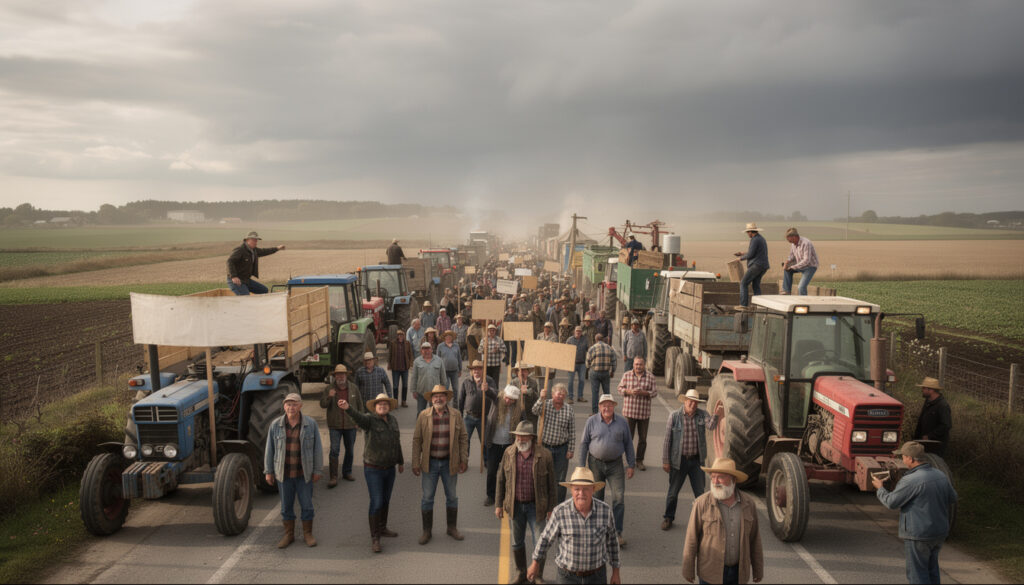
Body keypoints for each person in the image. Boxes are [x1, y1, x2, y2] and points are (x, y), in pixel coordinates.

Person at [873, 441, 957, 585]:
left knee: (917, 574)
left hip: (919, 534)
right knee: (932, 570)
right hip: (939, 533)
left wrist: (880, 488)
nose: (902, 459)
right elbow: (953, 497)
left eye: (903, 456)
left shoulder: (910, 480)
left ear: (910, 459)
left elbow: (891, 502)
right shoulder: (940, 475)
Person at [528, 467, 622, 585]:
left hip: (597, 576)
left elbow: (613, 543)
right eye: (577, 489)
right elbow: (545, 539)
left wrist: (616, 573)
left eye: (585, 489)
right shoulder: (560, 512)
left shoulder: (605, 511)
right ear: (571, 490)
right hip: (567, 577)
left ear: (593, 490)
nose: (581, 494)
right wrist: (535, 563)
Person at [337, 393, 404, 553]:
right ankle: (375, 538)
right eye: (379, 404)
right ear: (375, 407)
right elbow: (358, 418)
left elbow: (397, 442)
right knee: (377, 501)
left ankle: (382, 528)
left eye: (385, 404)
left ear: (389, 407)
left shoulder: (393, 420)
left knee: (386, 500)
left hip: (390, 468)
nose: (382, 406)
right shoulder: (369, 420)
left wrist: (400, 461)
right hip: (373, 469)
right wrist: (348, 408)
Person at [682, 458, 764, 585]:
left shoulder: (748, 504)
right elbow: (691, 538)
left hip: (738, 574)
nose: (715, 481)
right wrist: (688, 569)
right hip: (709, 573)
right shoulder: (701, 503)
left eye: (721, 477)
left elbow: (754, 539)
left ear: (733, 480)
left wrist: (758, 570)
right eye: (713, 477)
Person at [496, 421, 557, 584]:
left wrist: (551, 508)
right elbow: (501, 479)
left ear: (531, 437)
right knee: (517, 542)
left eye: (523, 436)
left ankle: (537, 575)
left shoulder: (545, 455)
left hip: (536, 507)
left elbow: (552, 484)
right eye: (518, 435)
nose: (520, 439)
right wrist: (498, 504)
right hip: (515, 506)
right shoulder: (508, 453)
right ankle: (521, 573)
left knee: (540, 542)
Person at [264, 392, 323, 548]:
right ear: (284, 406)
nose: (291, 407)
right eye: (288, 404)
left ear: (300, 406)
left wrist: (317, 470)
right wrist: (268, 471)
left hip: (304, 474)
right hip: (284, 475)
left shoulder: (310, 424)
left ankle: (308, 534)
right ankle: (289, 535)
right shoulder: (275, 425)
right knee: (286, 506)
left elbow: (318, 449)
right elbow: (269, 450)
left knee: (307, 505)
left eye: (294, 404)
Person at [412, 384, 469, 545]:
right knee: (427, 498)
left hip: (449, 463)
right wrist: (416, 462)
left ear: (447, 398)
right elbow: (417, 440)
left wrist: (464, 459)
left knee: (452, 497)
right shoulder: (423, 415)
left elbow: (463, 438)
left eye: (442, 396)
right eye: (435, 396)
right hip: (429, 464)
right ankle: (426, 531)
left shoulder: (456, 415)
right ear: (431, 399)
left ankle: (452, 528)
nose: (438, 398)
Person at [579, 394, 635, 546]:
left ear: (614, 406)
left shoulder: (622, 422)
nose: (607, 408)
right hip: (595, 463)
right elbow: (584, 443)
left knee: (619, 497)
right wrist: (580, 466)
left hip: (615, 465)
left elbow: (629, 444)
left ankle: (617, 533)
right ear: (599, 407)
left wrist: (631, 465)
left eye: (609, 405)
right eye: (604, 405)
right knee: (596, 498)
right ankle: (596, 531)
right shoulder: (591, 421)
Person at [662, 390, 718, 530]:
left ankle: (703, 521)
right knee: (673, 493)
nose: (692, 404)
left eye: (695, 402)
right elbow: (667, 440)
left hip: (696, 461)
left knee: (700, 493)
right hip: (678, 461)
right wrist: (666, 460)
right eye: (690, 401)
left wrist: (717, 414)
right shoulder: (674, 416)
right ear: (684, 401)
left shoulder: (702, 415)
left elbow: (711, 426)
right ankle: (668, 517)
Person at [319, 364, 364, 486]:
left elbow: (360, 405)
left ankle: (347, 472)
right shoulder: (329, 389)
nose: (340, 377)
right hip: (335, 425)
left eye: (342, 374)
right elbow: (322, 404)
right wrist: (329, 396)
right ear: (334, 376)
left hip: (350, 425)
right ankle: (333, 476)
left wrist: (359, 421)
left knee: (349, 450)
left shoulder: (353, 388)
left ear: (346, 375)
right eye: (338, 374)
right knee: (334, 450)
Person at [533, 383, 576, 503]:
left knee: (560, 479)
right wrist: (541, 398)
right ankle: (543, 501)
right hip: (545, 447)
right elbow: (534, 410)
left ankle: (558, 504)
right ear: (552, 394)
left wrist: (571, 449)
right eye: (558, 393)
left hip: (562, 449)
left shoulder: (569, 410)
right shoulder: (545, 405)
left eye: (563, 394)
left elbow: (572, 431)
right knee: (543, 475)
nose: (560, 396)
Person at [484, 385, 526, 507]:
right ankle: (490, 495)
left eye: (511, 399)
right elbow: (489, 392)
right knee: (491, 471)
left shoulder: (519, 409)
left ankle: (507, 494)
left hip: (510, 445)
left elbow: (524, 423)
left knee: (509, 470)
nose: (508, 401)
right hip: (494, 444)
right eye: (507, 398)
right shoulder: (497, 400)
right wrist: (486, 388)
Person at [618, 357, 657, 472]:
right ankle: (627, 461)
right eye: (636, 364)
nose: (638, 366)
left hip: (644, 413)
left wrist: (643, 393)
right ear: (633, 365)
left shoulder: (650, 377)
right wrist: (629, 391)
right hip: (629, 412)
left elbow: (654, 392)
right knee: (627, 438)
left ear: (644, 365)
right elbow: (620, 388)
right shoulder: (627, 375)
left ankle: (639, 460)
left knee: (643, 439)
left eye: (640, 364)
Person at [457, 360, 496, 460]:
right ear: (471, 370)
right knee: (465, 440)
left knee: (485, 441)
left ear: (483, 370)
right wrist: (459, 415)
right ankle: (463, 460)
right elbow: (461, 399)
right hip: (469, 416)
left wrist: (488, 390)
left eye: (479, 369)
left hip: (484, 416)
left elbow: (496, 396)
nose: (476, 371)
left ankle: (486, 461)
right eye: (474, 369)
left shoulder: (489, 381)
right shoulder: (466, 381)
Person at [226, 231, 285, 295]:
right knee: (245, 297)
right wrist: (234, 276)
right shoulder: (240, 250)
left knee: (264, 290)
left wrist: (277, 248)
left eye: (256, 240)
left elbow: (265, 251)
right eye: (254, 240)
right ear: (247, 240)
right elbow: (230, 261)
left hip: (246, 280)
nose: (256, 242)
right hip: (236, 280)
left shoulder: (254, 250)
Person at [912, 377, 952, 457]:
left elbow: (946, 425)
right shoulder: (928, 402)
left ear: (931, 390)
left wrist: (929, 436)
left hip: (935, 446)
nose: (922, 390)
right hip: (924, 444)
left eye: (924, 388)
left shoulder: (942, 405)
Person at [734, 223, 769, 309]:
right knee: (756, 285)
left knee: (743, 283)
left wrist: (740, 258)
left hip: (756, 265)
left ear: (750, 232)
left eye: (747, 232)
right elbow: (754, 252)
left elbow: (751, 255)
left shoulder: (755, 240)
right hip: (763, 266)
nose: (747, 234)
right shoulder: (761, 239)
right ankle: (759, 306)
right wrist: (743, 253)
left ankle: (743, 305)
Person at [410, 341, 450, 412]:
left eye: (428, 349)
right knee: (420, 413)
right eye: (424, 349)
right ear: (421, 350)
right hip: (421, 392)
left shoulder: (439, 360)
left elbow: (443, 377)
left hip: (435, 393)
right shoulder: (417, 361)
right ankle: (421, 423)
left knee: (436, 412)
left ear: (431, 349)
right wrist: (414, 391)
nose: (426, 351)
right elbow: (414, 377)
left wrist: (444, 391)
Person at [781, 227, 819, 296]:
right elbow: (791, 256)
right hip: (800, 265)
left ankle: (803, 302)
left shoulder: (806, 243)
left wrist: (793, 267)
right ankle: (786, 291)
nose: (789, 242)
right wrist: (787, 263)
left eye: (789, 240)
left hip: (810, 267)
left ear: (794, 237)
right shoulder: (793, 244)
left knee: (801, 287)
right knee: (787, 269)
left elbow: (806, 261)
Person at [585, 333, 616, 415]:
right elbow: (614, 361)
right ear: (603, 339)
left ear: (596, 339)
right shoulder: (609, 348)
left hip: (595, 372)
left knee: (595, 392)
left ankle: (595, 412)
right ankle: (608, 411)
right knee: (606, 393)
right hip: (606, 372)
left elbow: (587, 361)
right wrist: (612, 371)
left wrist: (588, 368)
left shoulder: (592, 348)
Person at [388, 329, 414, 407]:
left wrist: (410, 363)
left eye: (401, 335)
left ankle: (404, 401)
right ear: (397, 336)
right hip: (395, 368)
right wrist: (389, 364)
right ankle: (395, 402)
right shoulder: (393, 343)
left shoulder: (407, 343)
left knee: (405, 385)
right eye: (399, 335)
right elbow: (390, 354)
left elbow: (410, 354)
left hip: (405, 368)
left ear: (404, 335)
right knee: (395, 386)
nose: (400, 336)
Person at [511, 362, 540, 427]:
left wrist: (528, 391)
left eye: (524, 370)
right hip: (517, 413)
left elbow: (537, 398)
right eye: (519, 371)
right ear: (516, 373)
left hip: (530, 413)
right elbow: (511, 396)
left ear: (528, 372)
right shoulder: (513, 382)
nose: (521, 373)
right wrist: (520, 392)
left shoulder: (533, 382)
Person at [479, 323, 507, 388]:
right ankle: (488, 396)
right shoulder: (484, 340)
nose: (492, 332)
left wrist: (498, 349)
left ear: (495, 331)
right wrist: (484, 349)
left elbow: (505, 349)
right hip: (486, 365)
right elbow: (479, 350)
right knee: (486, 382)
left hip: (496, 365)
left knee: (495, 383)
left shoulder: (499, 340)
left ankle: (495, 396)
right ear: (487, 331)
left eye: (493, 330)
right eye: (490, 330)